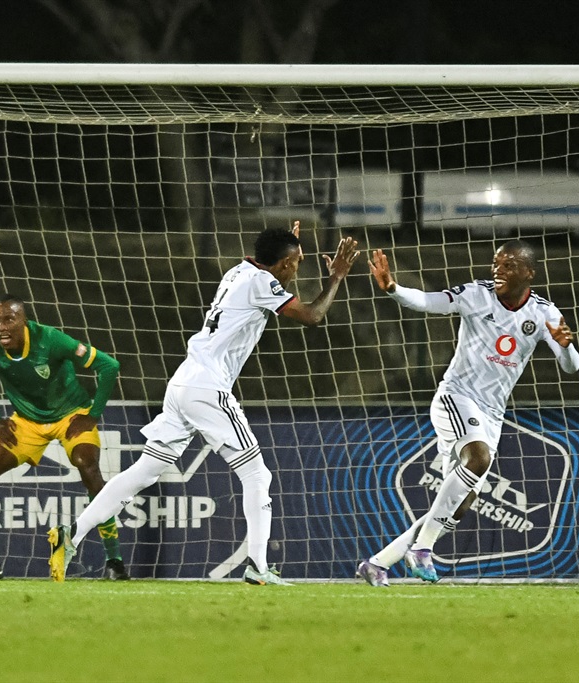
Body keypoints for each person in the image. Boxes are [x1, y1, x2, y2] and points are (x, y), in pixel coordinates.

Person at [49, 222, 360, 585]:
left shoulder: (239, 272)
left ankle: (71, 535)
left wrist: (288, 251)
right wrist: (336, 277)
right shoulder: (262, 283)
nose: (298, 268)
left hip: (183, 381)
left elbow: (276, 279)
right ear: (283, 265)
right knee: (257, 474)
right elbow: (312, 316)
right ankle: (259, 568)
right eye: (296, 262)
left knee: (144, 471)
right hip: (207, 388)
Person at [357, 240, 579, 586]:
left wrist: (565, 347)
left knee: (459, 504)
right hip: (456, 397)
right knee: (479, 459)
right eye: (496, 263)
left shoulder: (543, 313)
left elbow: (571, 366)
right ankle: (423, 549)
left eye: (508, 265)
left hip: (492, 413)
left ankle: (378, 562)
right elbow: (430, 302)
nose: (498, 270)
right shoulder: (477, 295)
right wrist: (393, 289)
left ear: (528, 273)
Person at [0, 294, 127, 580]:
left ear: (24, 321)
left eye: (9, 320)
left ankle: (115, 562)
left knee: (88, 467)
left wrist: (93, 414)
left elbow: (109, 366)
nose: (1, 327)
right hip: (26, 422)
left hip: (71, 416)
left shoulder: (51, 340)